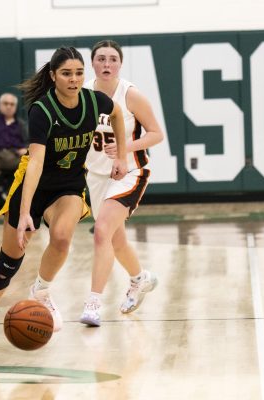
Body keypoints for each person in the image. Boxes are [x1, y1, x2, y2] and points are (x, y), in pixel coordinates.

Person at [0, 46, 128, 350]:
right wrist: (26, 212)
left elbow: (118, 114)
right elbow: (37, 163)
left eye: (79, 73)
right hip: (33, 183)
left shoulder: (96, 102)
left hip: (67, 184)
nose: (74, 79)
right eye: (66, 73)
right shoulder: (42, 110)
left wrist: (121, 156)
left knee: (63, 237)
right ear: (53, 76)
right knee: (8, 263)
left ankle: (41, 290)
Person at [79, 40, 164, 326]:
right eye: (101, 58)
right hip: (96, 175)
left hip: (130, 172)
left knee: (101, 231)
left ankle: (93, 303)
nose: (106, 64)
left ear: (120, 64)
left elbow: (156, 134)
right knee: (116, 240)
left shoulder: (131, 95)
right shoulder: (83, 94)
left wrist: (126, 148)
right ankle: (140, 279)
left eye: (112, 59)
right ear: (92, 63)